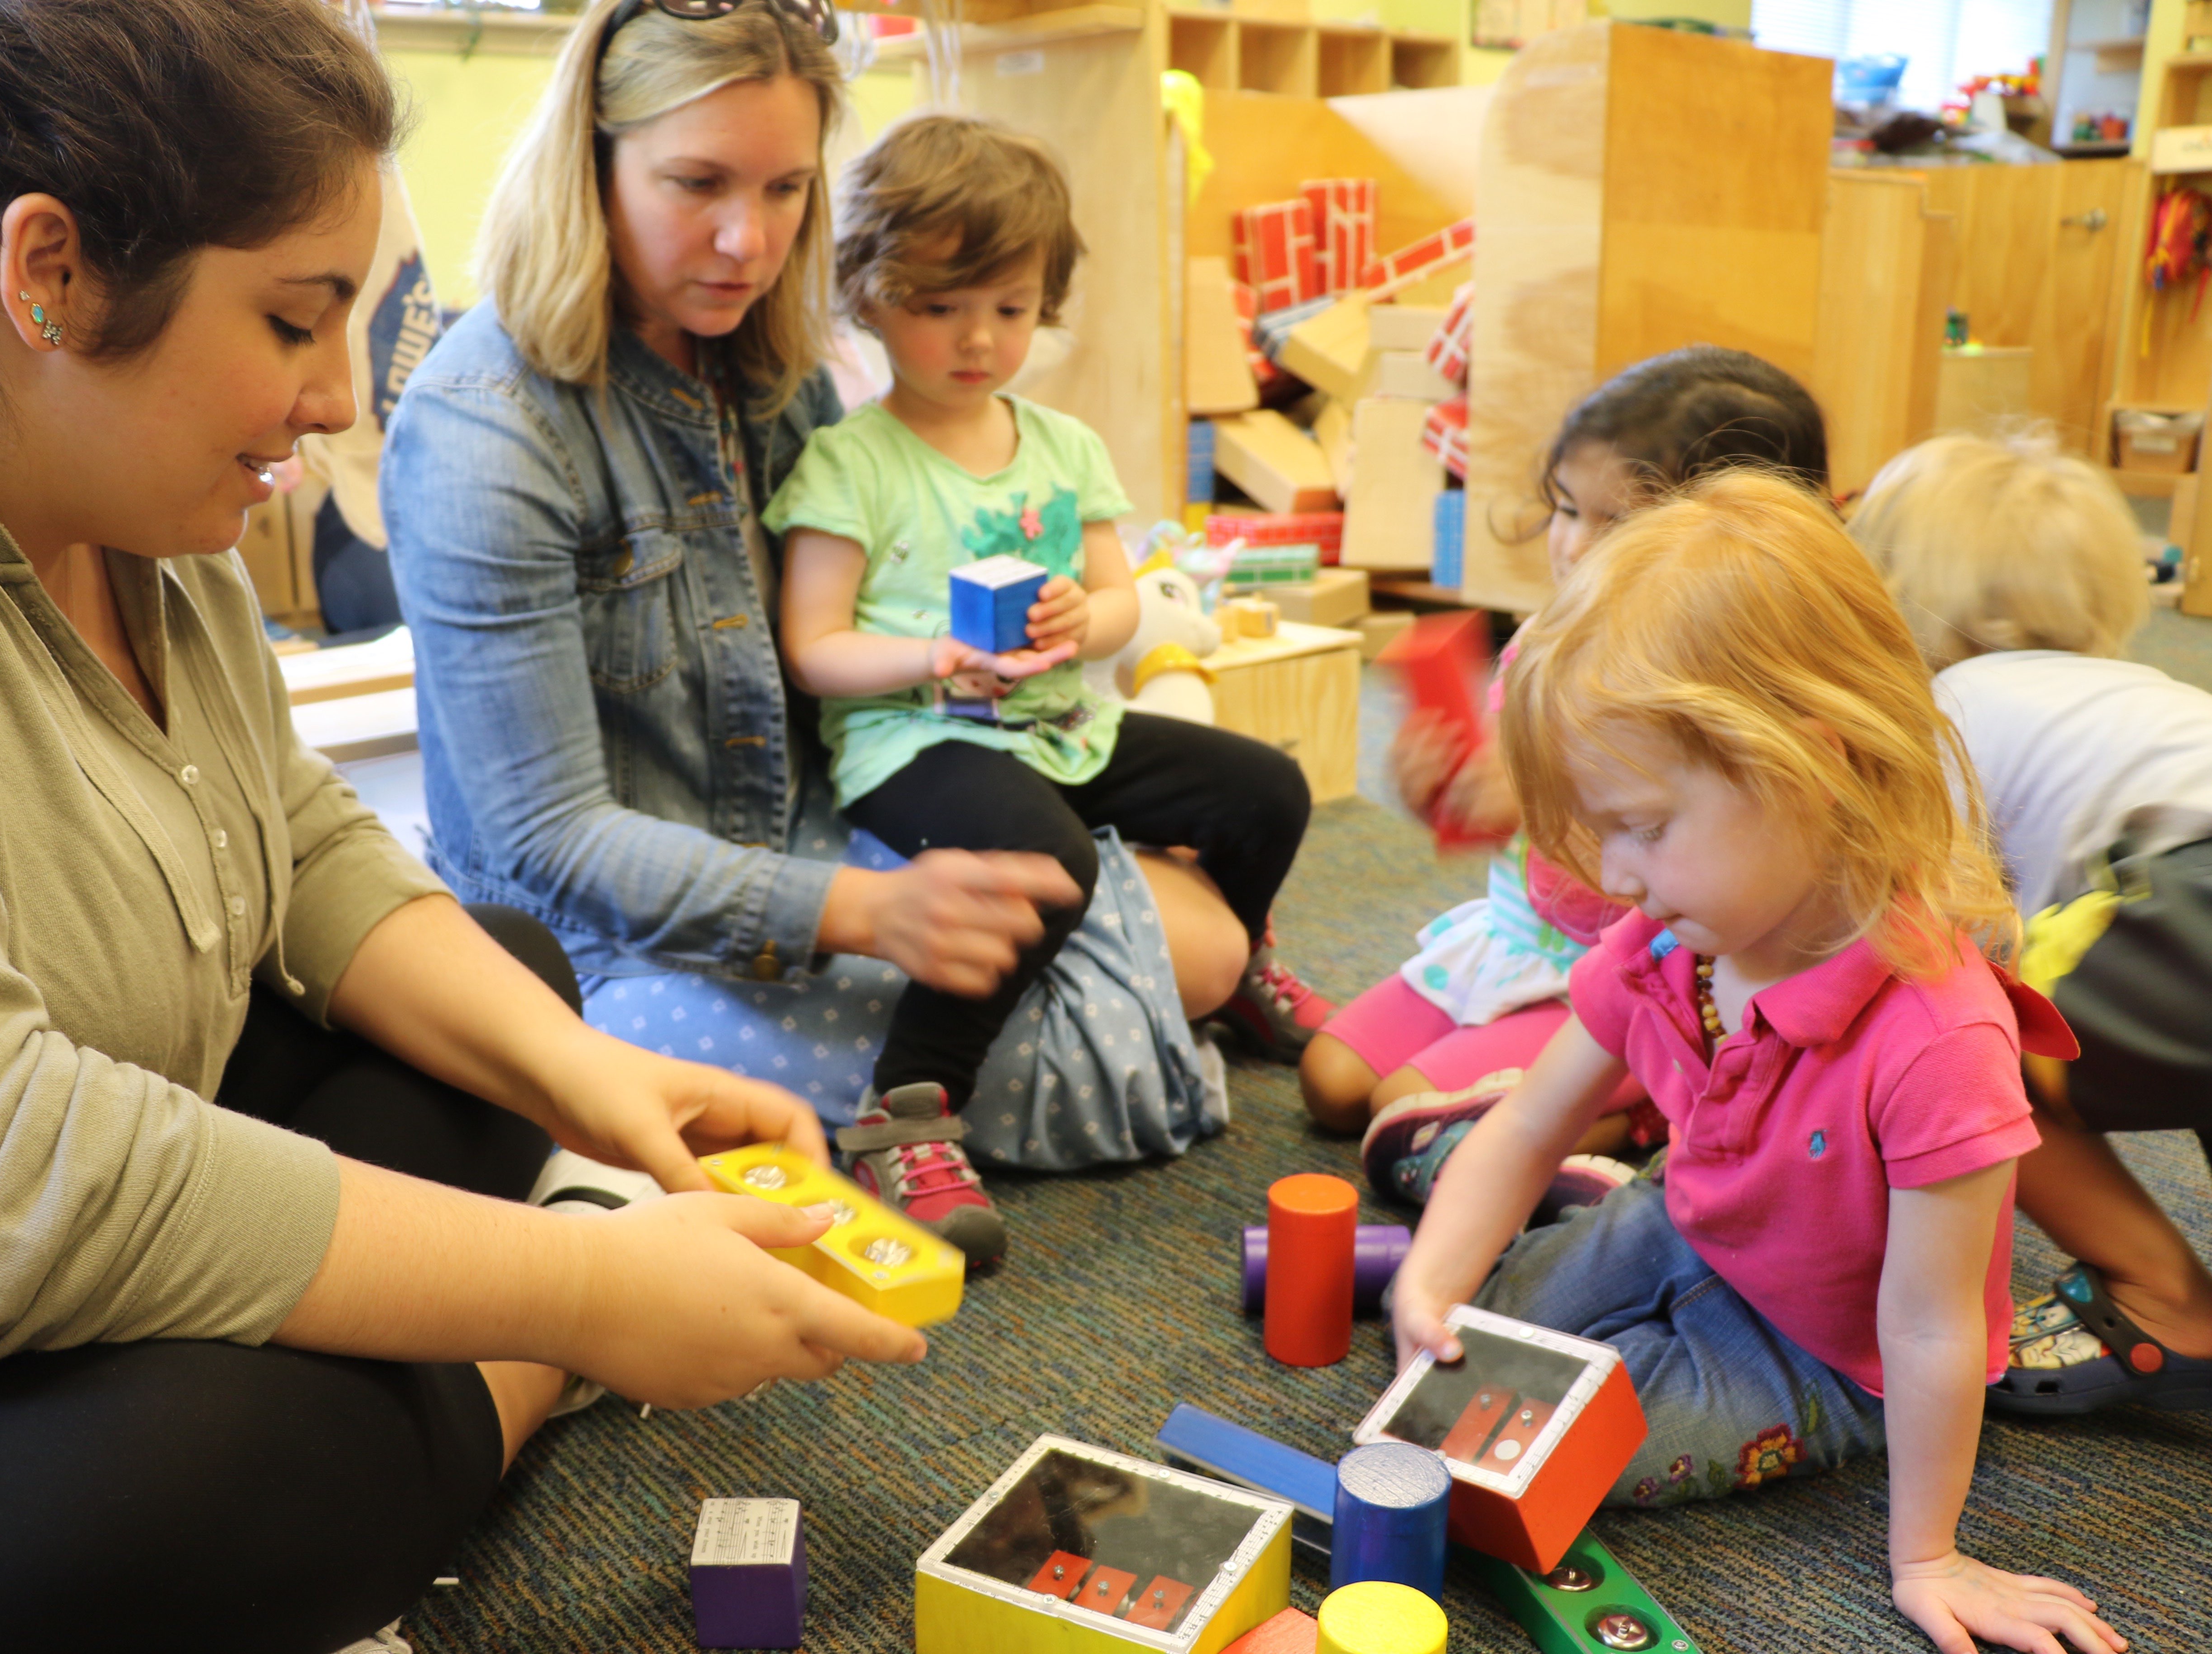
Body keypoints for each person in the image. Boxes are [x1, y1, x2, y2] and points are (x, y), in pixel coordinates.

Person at [0, 4, 919, 1650]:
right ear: (50, 274)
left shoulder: (150, 508)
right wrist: (573, 1293)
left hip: (82, 1138)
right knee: (181, 1480)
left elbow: (296, 841)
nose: (336, 395)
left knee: (508, 987)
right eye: (298, 321)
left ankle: (407, 1407)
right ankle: (479, 1383)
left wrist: (597, 1085)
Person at [382, 0, 1261, 1240]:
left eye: (789, 189)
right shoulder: (488, 428)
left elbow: (839, 666)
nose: (749, 240)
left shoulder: (765, 364)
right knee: (1085, 1039)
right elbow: (548, 840)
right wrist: (863, 913)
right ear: (592, 163)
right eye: (698, 183)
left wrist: (1012, 663)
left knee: (1207, 949)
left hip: (813, 829)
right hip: (614, 939)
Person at [1390, 472, 2126, 1654]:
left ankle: (1579, 1244)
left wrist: (1928, 1557)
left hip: (1828, 1355)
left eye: (1645, 826)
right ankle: (1560, 1223)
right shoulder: (1665, 939)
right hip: (1691, 1219)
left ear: (1808, 768)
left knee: (1531, 1451)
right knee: (1462, 1342)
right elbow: (1529, 1122)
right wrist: (1430, 1282)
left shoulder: (1942, 1041)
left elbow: (1934, 1329)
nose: (1613, 876)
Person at [766, 113, 1318, 1260]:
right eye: (940, 307)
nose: (979, 340)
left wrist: (1086, 621)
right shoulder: (850, 461)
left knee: (1266, 788)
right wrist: (929, 658)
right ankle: (907, 1109)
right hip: (914, 742)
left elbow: (1122, 603)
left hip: (1063, 721)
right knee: (1046, 863)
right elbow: (814, 646)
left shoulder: (1062, 445)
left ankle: (1247, 953)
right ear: (867, 294)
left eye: (1010, 310)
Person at [1302, 348, 1830, 1196]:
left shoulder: (1707, 696)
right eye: (1564, 509)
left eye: (1615, 524)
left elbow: (1651, 893)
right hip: (1517, 939)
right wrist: (1446, 789)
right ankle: (1605, 1105)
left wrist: (1542, 807)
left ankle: (1658, 1101)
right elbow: (1507, 826)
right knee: (1331, 1079)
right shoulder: (1547, 641)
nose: (1574, 547)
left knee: (1404, 1106)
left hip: (1637, 970)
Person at [1852, 430, 2212, 1414]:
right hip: (2185, 903)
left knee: (1966, 1046)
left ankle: (2166, 1302)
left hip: (2192, 901)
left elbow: (1920, 925)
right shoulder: (2153, 694)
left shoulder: (1951, 706)